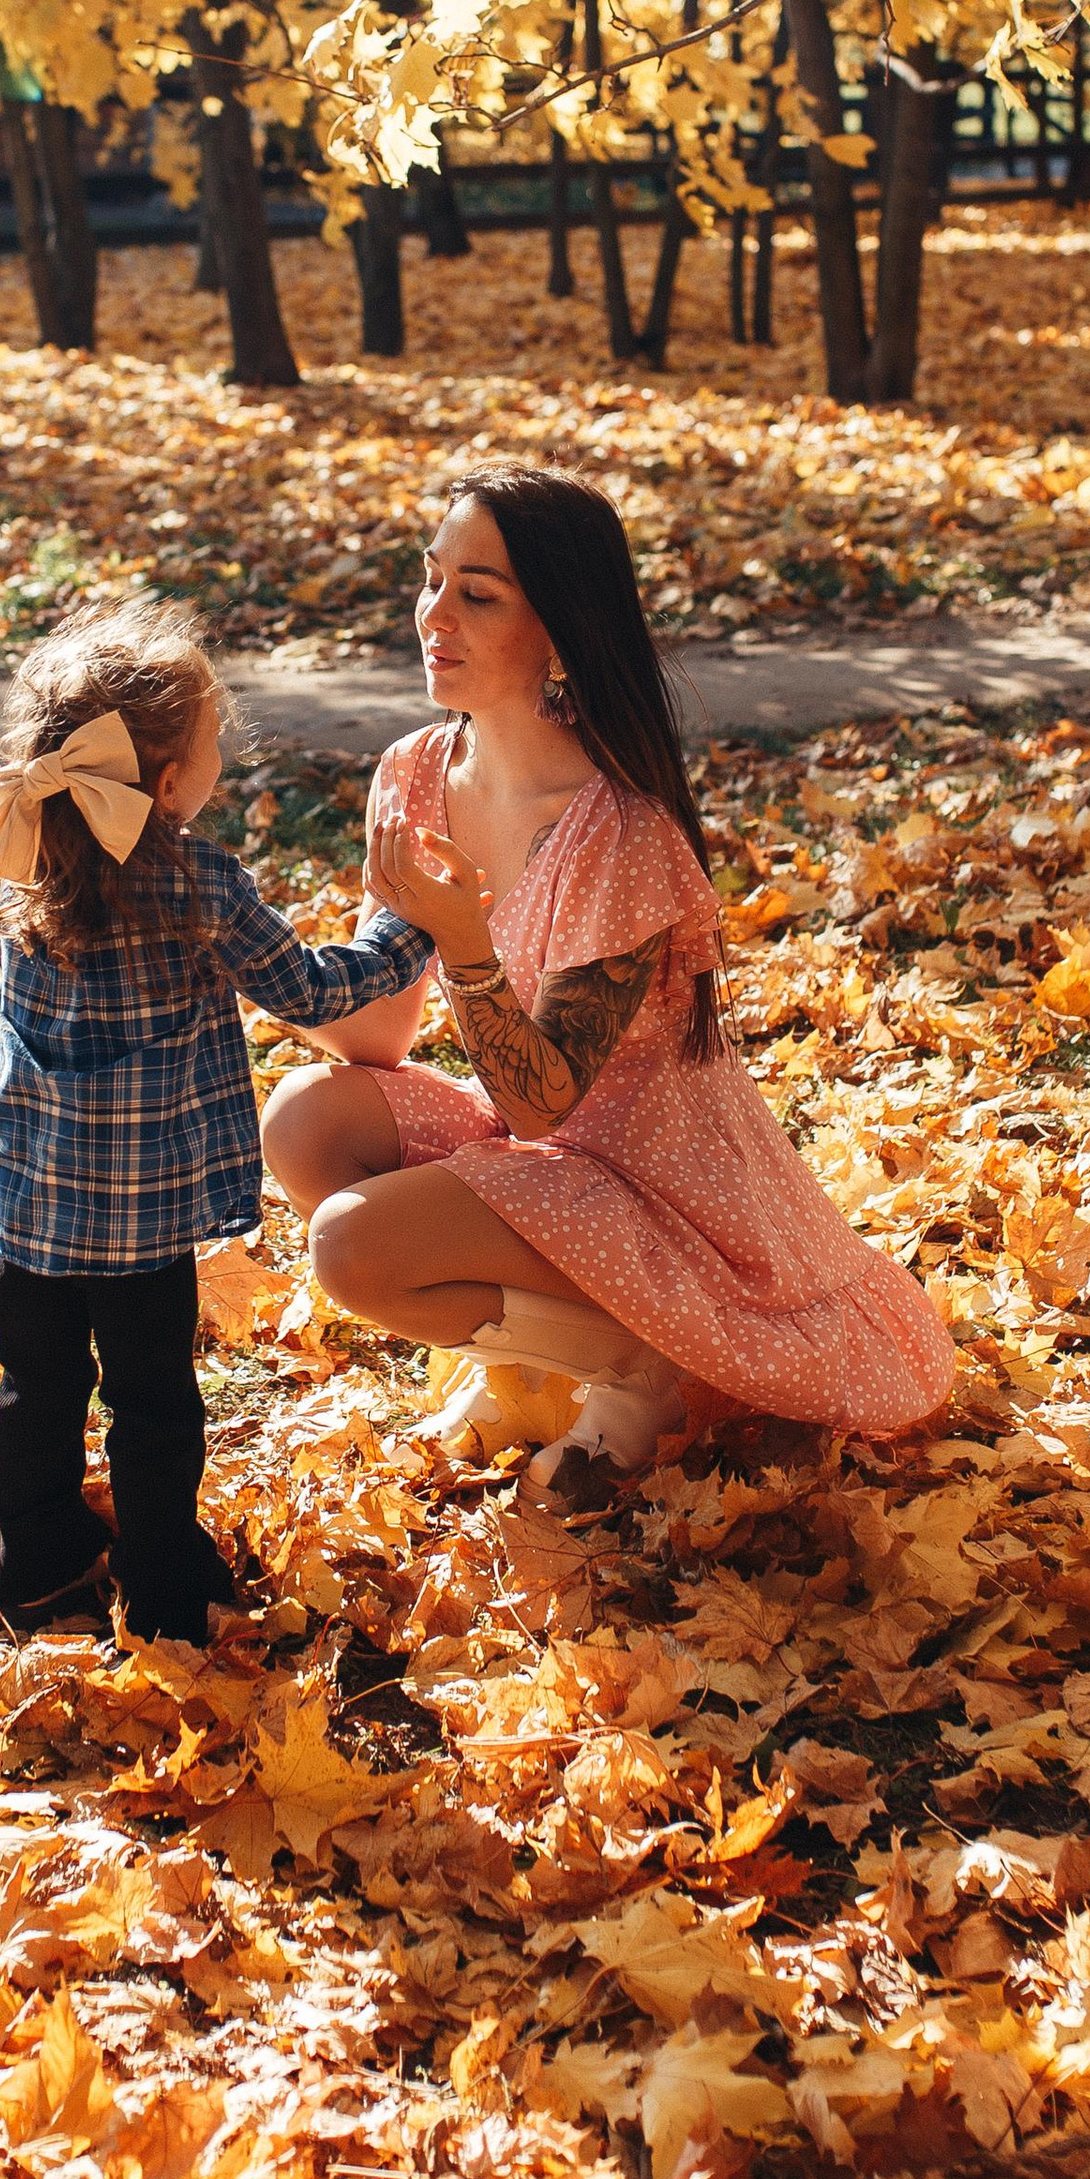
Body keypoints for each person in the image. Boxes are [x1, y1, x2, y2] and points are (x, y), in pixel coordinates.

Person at [260, 464, 957, 1479]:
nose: (434, 616)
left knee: (352, 1246)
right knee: (301, 1119)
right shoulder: (412, 773)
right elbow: (378, 1036)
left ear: (559, 629)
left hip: (660, 1186)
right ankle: (539, 1365)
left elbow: (540, 1100)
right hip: (541, 1156)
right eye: (431, 579)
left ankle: (642, 1372)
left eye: (478, 595)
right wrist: (243, 952)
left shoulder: (618, 828)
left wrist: (464, 941)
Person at [0, 594, 431, 1642]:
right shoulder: (197, 886)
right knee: (155, 1404)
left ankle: (40, 1563)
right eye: (216, 741)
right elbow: (307, 991)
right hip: (141, 1225)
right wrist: (408, 935)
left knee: (34, 1387)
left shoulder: (21, 869)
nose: (224, 757)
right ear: (172, 782)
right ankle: (163, 1580)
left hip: (33, 1208)